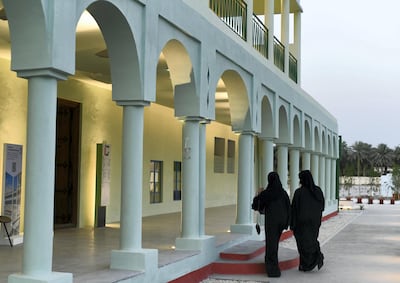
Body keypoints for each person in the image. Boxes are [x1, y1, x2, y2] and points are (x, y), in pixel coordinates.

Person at [252, 172, 291, 277]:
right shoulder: (283, 193)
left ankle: (273, 269)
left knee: (271, 244)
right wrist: (287, 222)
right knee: (274, 243)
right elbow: (289, 207)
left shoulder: (267, 193)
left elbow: (255, 205)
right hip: (281, 222)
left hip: (272, 222)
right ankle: (273, 265)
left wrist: (258, 194)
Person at [291, 170, 325, 272]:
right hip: (314, 222)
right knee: (311, 241)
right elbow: (322, 206)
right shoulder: (317, 191)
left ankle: (307, 263)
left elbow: (294, 209)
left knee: (302, 244)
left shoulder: (299, 192)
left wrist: (292, 223)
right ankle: (308, 262)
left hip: (302, 224)